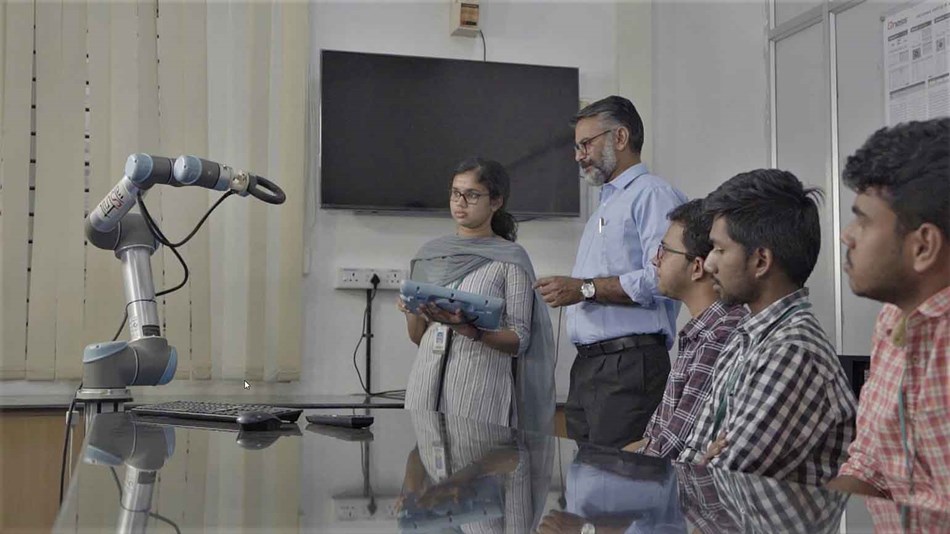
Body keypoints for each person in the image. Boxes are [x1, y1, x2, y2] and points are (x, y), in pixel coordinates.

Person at [677, 169, 856, 485]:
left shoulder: (792, 351)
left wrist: (705, 463)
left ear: (761, 261)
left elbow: (719, 482)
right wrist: (704, 462)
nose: (709, 264)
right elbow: (692, 457)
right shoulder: (746, 335)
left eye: (719, 249)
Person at [534, 96, 686, 448]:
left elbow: (664, 278)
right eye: (577, 147)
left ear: (620, 137)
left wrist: (584, 289)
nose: (579, 156)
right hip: (590, 367)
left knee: (620, 477)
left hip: (628, 365)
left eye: (586, 144)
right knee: (588, 476)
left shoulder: (653, 195)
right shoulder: (606, 205)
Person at [827, 118, 949, 514]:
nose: (847, 235)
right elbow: (869, 466)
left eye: (863, 220)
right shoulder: (893, 319)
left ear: (923, 246)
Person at [400, 157, 556, 434]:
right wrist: (411, 310)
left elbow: (520, 339)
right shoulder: (431, 255)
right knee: (424, 457)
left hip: (479, 389)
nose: (460, 202)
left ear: (495, 202)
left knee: (475, 457)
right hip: (425, 385)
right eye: (455, 193)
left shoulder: (510, 259)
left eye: (471, 195)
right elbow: (417, 337)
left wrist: (472, 331)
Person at [624, 199, 746, 459]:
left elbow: (670, 449)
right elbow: (655, 436)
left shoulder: (719, 335)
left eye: (664, 251)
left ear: (698, 267)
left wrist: (616, 462)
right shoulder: (699, 333)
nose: (655, 260)